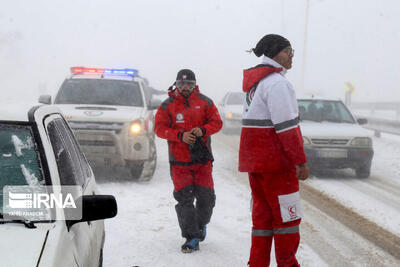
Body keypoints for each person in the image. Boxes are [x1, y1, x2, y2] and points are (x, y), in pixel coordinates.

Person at [239, 34, 309, 267]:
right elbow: (287, 128)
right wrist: (300, 161)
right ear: (275, 52)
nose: (291, 56)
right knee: (287, 220)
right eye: (288, 50)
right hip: (277, 165)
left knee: (263, 220)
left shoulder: (256, 82)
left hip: (256, 164)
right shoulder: (278, 83)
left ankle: (257, 263)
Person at [154, 69, 223, 253]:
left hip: (203, 162)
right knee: (184, 201)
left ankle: (200, 226)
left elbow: (217, 123)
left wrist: (203, 130)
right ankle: (191, 237)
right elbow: (159, 129)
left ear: (195, 85)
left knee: (206, 200)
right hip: (179, 163)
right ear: (176, 84)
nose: (186, 88)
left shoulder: (205, 102)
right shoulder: (166, 105)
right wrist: (179, 135)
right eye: (182, 84)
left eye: (189, 84)